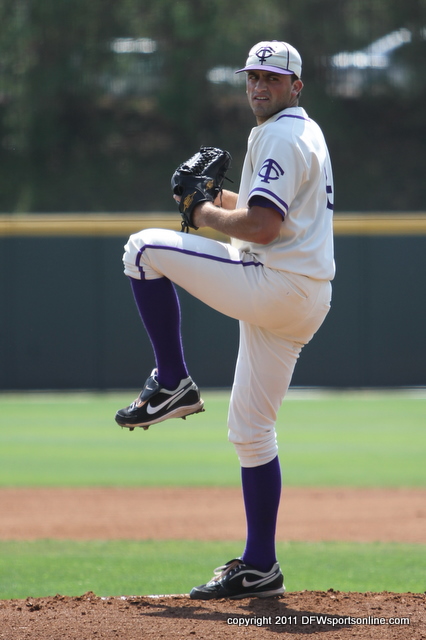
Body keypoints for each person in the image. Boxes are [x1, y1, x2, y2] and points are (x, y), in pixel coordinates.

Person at [115, 40, 335, 599]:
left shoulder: (283, 135)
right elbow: (272, 217)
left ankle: (172, 379)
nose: (259, 86)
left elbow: (261, 228)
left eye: (271, 78)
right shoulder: (300, 131)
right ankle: (260, 564)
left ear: (295, 86)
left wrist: (202, 211)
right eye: (252, 76)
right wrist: (214, 199)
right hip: (301, 294)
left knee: (142, 250)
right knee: (252, 431)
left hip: (275, 283)